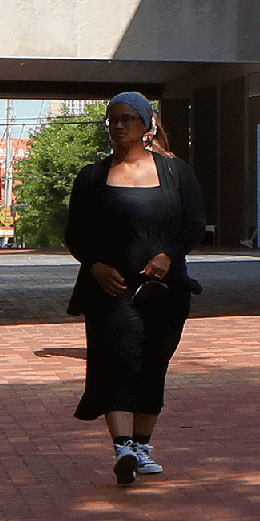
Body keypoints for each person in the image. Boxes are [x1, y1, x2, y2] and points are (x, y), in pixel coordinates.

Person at [63, 91, 208, 486]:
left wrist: (168, 256)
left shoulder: (177, 172)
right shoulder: (92, 177)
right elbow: (75, 234)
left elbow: (194, 226)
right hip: (112, 291)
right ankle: (123, 446)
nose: (119, 125)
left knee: (153, 366)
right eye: (113, 118)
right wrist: (94, 266)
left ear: (147, 125)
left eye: (128, 118)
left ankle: (142, 445)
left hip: (165, 290)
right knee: (118, 363)